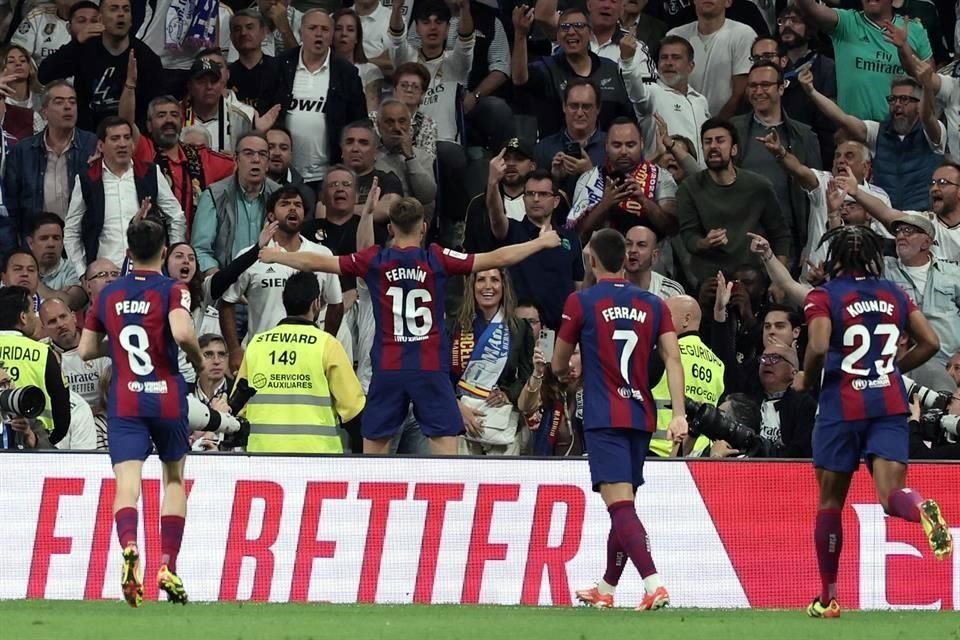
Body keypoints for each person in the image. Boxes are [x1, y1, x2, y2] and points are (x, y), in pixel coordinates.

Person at [260, 195, 561, 455]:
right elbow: (497, 256)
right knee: (445, 446)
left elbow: (317, 263)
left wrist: (277, 255)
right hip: (429, 367)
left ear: (389, 228)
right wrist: (540, 241)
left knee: (375, 446)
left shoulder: (375, 259)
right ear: (424, 227)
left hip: (389, 366)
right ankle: (445, 512)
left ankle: (374, 511)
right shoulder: (436, 258)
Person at [796, 225, 952, 618]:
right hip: (888, 403)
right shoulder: (894, 294)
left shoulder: (823, 296)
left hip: (840, 407)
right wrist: (893, 368)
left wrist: (805, 378)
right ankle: (922, 509)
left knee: (830, 503)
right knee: (891, 496)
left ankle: (828, 597)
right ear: (871, 256)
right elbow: (931, 342)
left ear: (833, 259)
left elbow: (817, 345)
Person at [552, 228, 687, 610]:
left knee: (620, 508)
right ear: (623, 259)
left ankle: (654, 584)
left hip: (604, 415)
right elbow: (673, 359)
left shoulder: (581, 302)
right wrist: (678, 414)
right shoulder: (655, 303)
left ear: (591, 259)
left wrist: (570, 371)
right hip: (641, 414)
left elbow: (560, 363)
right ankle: (607, 589)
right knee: (624, 504)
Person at [77, 217, 204, 607]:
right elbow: (182, 333)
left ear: (128, 254)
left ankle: (130, 545)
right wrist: (198, 362)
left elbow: (84, 351)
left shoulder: (108, 294)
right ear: (164, 251)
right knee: (173, 479)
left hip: (127, 398)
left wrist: (116, 346)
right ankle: (167, 564)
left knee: (126, 484)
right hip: (165, 394)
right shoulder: (173, 289)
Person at [234, 271, 364, 453]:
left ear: (283, 299)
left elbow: (238, 407)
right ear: (316, 304)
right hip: (317, 456)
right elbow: (353, 409)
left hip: (262, 456)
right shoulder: (327, 345)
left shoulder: (257, 344)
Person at [37, 0, 164, 132]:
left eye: (126, 9)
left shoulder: (146, 57)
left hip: (129, 139)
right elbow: (45, 75)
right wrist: (76, 43)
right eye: (114, 9)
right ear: (100, 19)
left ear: (131, 19)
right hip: (87, 138)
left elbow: (155, 108)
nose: (121, 14)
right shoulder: (84, 49)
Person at [450, 267, 536, 455]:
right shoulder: (455, 325)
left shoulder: (519, 328)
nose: (488, 286)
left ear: (503, 285)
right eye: (481, 280)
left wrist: (508, 394)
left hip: (500, 424)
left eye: (495, 280)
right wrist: (457, 407)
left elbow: (527, 375)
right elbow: (441, 374)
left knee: (502, 484)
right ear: (472, 286)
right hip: (460, 422)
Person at [0, 285, 71, 443]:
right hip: (33, 442)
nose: (36, 316)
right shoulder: (44, 352)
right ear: (23, 317)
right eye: (33, 311)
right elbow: (63, 414)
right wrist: (43, 442)